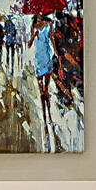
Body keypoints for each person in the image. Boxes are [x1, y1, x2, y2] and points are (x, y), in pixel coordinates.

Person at [29, 13, 57, 148]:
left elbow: (52, 39)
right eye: (38, 15)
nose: (40, 17)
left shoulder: (49, 25)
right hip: (38, 61)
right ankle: (45, 115)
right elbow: (29, 44)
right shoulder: (33, 27)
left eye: (41, 15)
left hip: (47, 58)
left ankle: (49, 113)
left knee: (46, 89)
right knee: (41, 91)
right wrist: (33, 37)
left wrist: (57, 54)